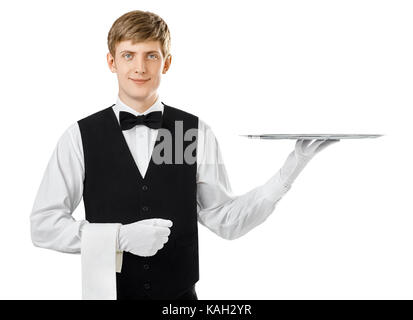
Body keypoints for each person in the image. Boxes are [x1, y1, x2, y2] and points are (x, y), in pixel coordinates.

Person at [30, 10, 339, 300]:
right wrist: (118, 238)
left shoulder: (192, 132)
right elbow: (43, 226)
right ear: (111, 61)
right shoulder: (78, 136)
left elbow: (224, 220)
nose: (140, 67)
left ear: (166, 63)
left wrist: (291, 168)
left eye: (151, 55)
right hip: (108, 296)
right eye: (128, 55)